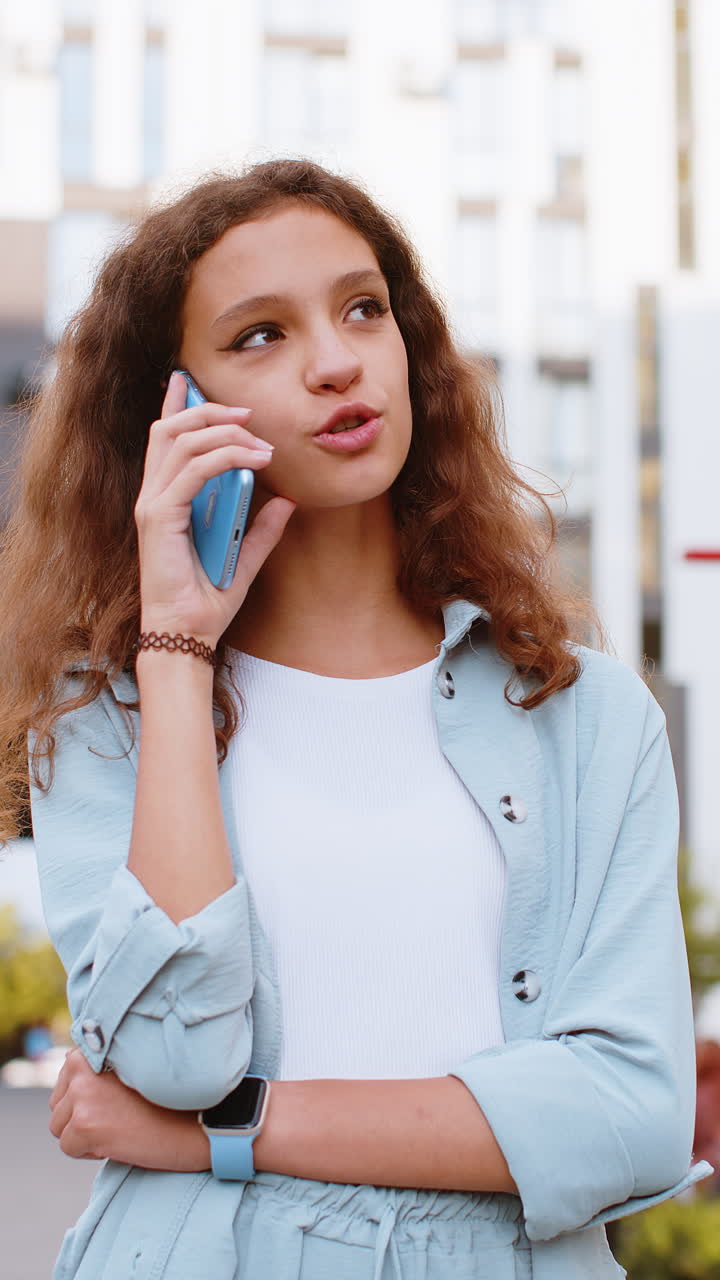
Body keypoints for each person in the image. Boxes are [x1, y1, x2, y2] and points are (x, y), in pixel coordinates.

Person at [0, 157, 711, 1280]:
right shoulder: (110, 721)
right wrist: (177, 649)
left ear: (410, 345)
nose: (337, 361)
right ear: (174, 414)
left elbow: (631, 1116)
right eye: (260, 335)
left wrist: (222, 1133)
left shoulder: (583, 713)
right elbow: (180, 1053)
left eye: (362, 308)